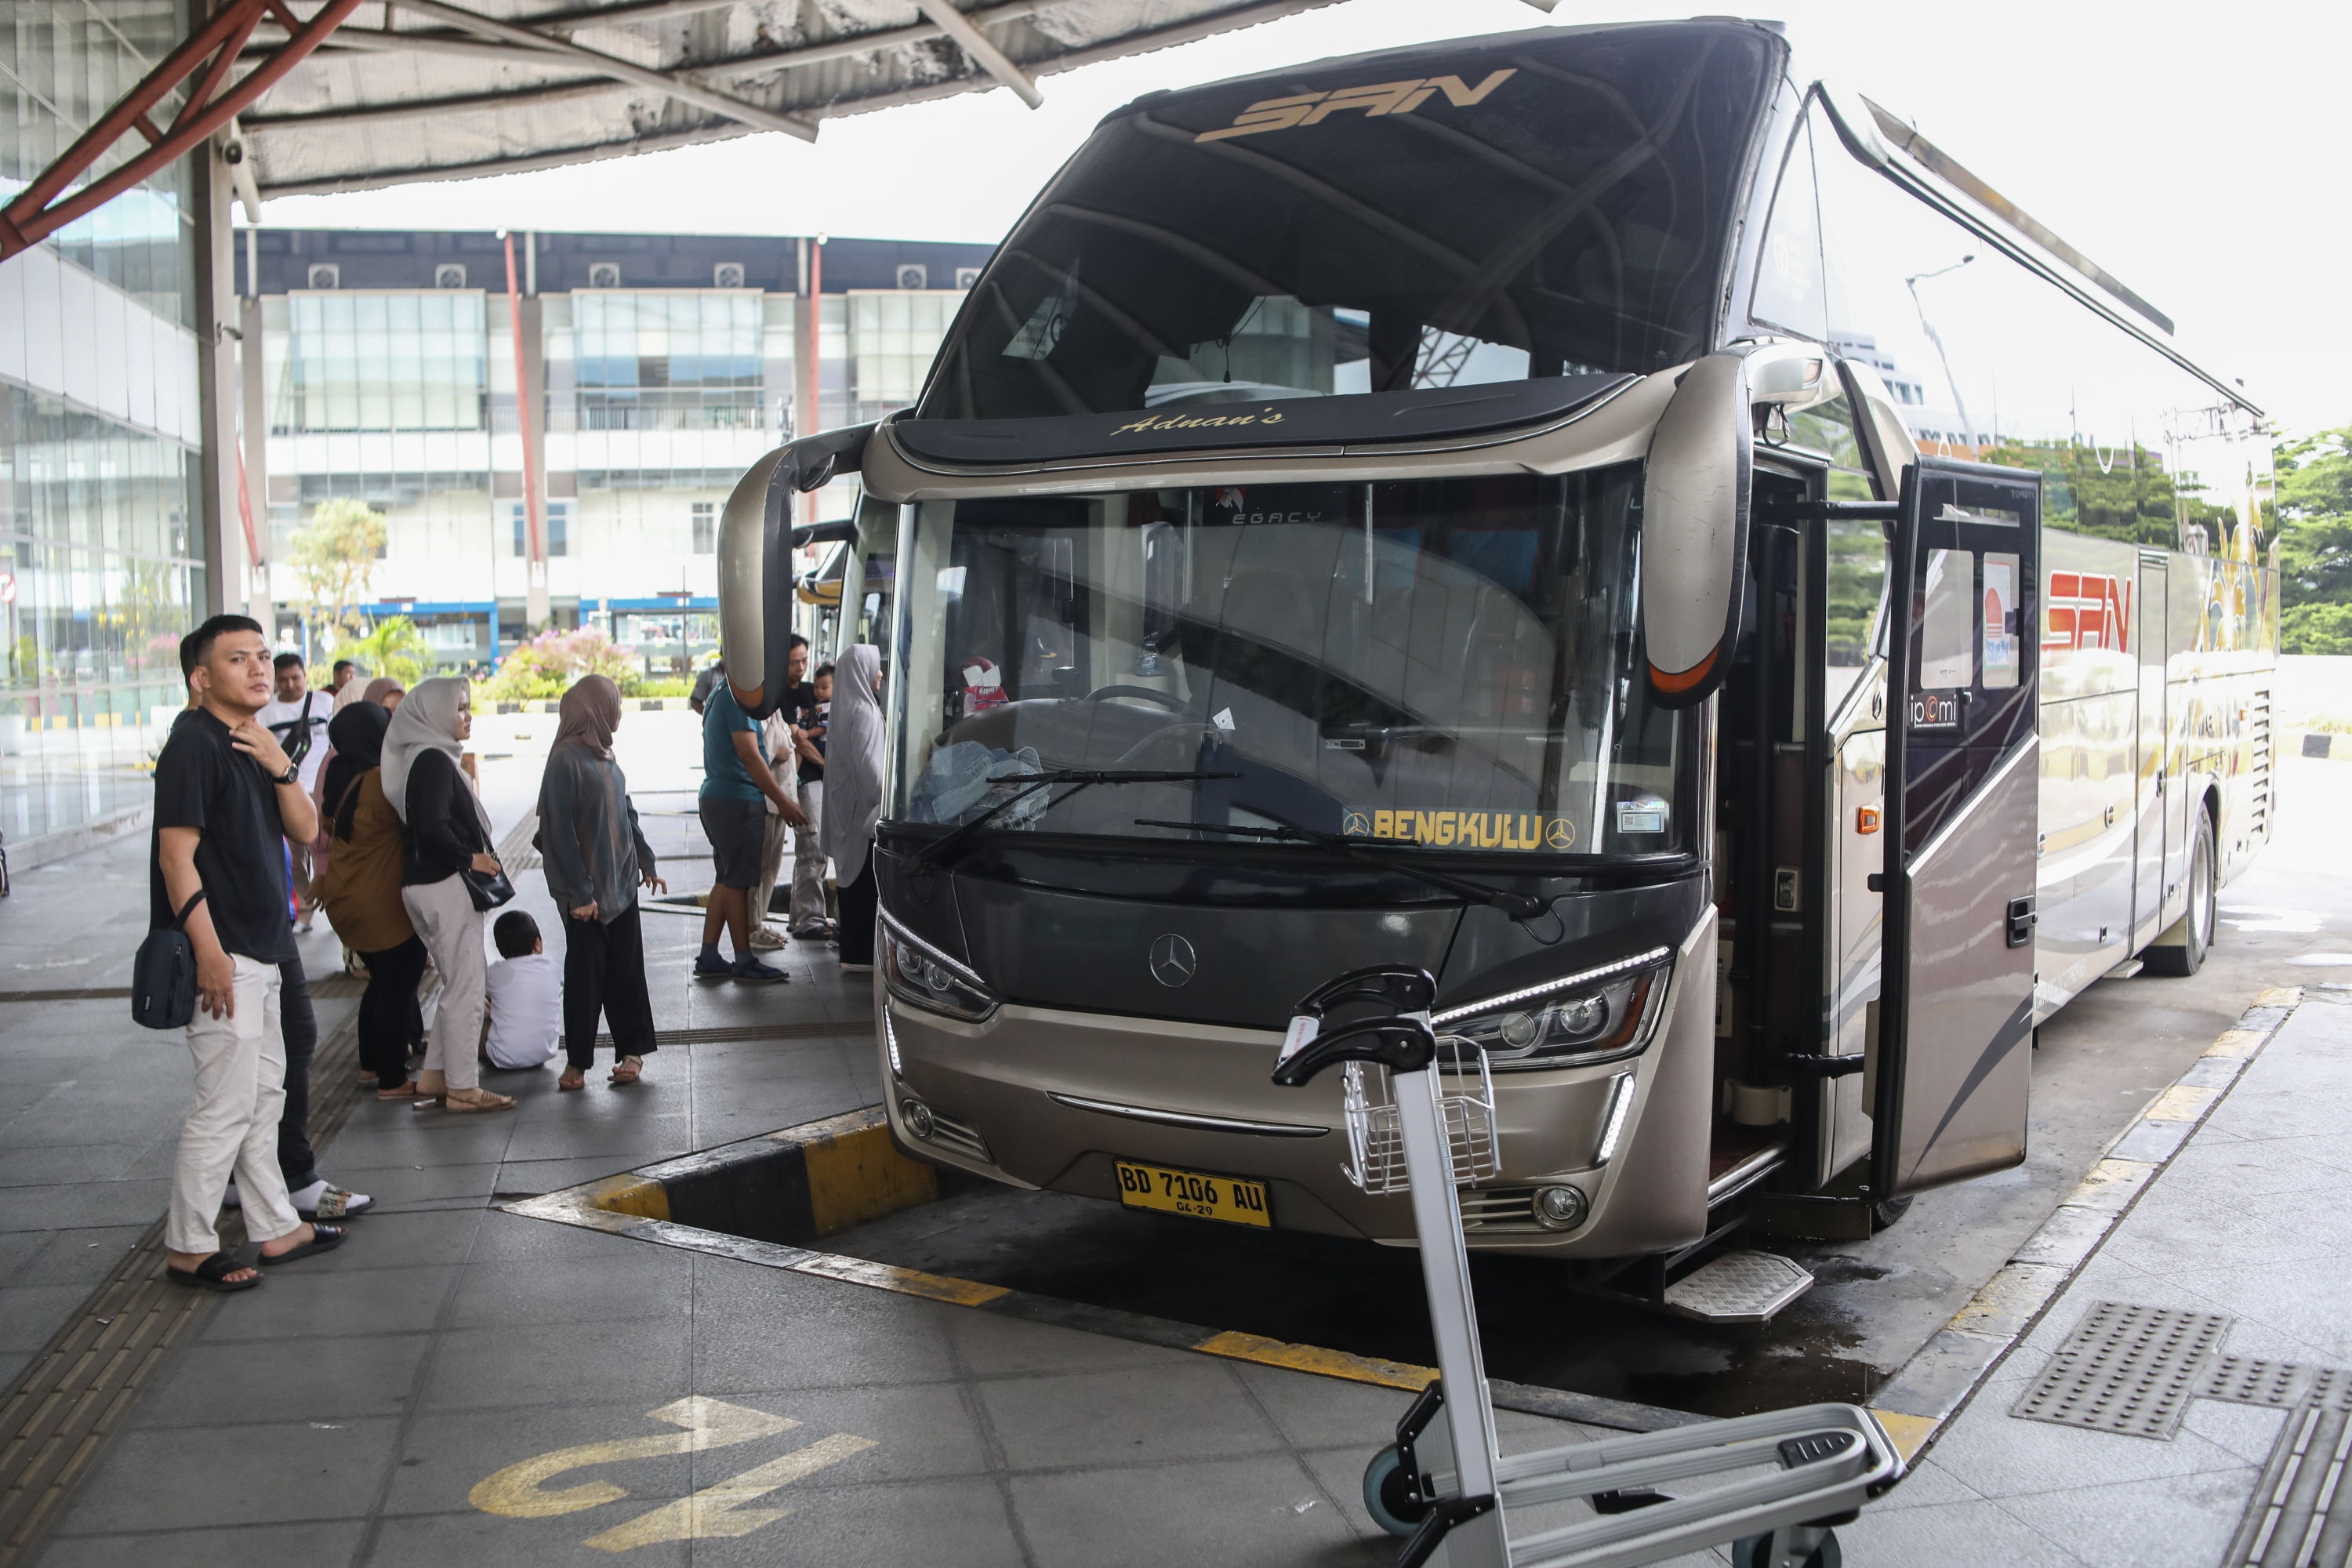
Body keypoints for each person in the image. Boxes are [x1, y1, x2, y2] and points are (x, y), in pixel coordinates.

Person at [154, 615, 347, 1291]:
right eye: (239, 659)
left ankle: (275, 1226)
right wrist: (207, 951)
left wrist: (280, 762)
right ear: (202, 678)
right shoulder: (193, 744)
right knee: (225, 1104)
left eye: (263, 656)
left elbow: (306, 827)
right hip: (226, 953)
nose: (260, 669)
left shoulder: (251, 739)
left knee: (264, 1095)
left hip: (265, 950)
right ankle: (189, 1244)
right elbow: (176, 858)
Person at [385, 676, 515, 1112]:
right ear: (434, 714)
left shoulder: (420, 759)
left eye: (467, 707)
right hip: (444, 884)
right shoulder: (435, 762)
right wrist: (470, 858)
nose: (467, 716)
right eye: (459, 709)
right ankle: (464, 1088)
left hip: (422, 884)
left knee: (457, 983)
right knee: (467, 986)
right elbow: (435, 826)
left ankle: (436, 1078)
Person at [538, 675, 666, 1086]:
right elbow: (559, 834)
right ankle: (577, 1063)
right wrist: (580, 893)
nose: (620, 713)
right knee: (584, 978)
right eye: (614, 704)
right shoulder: (564, 762)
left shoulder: (607, 756)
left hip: (623, 885)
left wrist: (645, 859)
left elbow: (626, 814)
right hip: (587, 898)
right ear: (594, 708)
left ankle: (632, 1054)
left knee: (627, 973)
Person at [318, 701, 430, 1101]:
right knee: (399, 985)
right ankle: (392, 1079)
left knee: (382, 982)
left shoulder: (341, 775)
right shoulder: (380, 780)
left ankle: (371, 1066)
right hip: (379, 903)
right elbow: (424, 819)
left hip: (346, 898)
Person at [696, 668, 803, 982]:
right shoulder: (737, 697)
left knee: (725, 879)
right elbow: (749, 753)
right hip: (737, 800)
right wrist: (782, 801)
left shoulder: (720, 693)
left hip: (718, 796)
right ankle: (743, 958)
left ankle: (710, 954)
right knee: (738, 883)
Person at [820, 644, 885, 972]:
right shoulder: (863, 712)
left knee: (851, 881)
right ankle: (861, 956)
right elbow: (871, 775)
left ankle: (853, 950)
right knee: (862, 884)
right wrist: (892, 794)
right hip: (863, 815)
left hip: (846, 812)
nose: (881, 673)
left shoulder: (843, 707)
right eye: (876, 666)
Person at [749, 636, 811, 953]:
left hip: (778, 802)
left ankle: (757, 922)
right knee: (760, 866)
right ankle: (752, 926)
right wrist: (781, 751)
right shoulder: (760, 712)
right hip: (768, 802)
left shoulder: (773, 710)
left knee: (771, 866)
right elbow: (759, 754)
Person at [789, 660, 834, 938]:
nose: (800, 667)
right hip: (810, 783)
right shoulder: (784, 698)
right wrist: (826, 766)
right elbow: (798, 739)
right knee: (813, 850)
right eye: (794, 662)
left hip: (819, 782)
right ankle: (810, 920)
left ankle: (800, 916)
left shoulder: (810, 692)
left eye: (804, 660)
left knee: (812, 851)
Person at [484, 912, 562, 1071]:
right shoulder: (553, 967)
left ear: (500, 949)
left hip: (502, 1057)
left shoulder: (494, 972)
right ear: (537, 943)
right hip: (546, 1051)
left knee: (477, 1007)